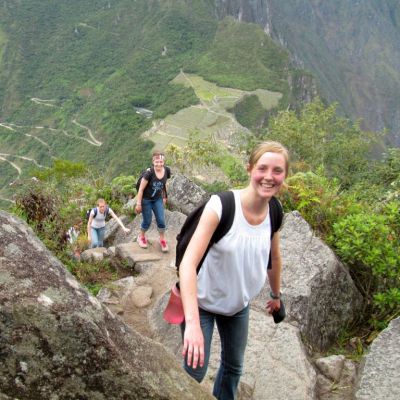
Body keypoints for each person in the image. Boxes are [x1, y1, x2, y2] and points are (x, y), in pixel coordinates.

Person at [178, 141, 289, 400]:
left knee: (233, 368)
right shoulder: (221, 207)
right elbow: (188, 264)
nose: (269, 177)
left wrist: (276, 295)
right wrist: (192, 324)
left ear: (285, 175)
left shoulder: (275, 210)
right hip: (201, 302)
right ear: (250, 169)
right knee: (195, 371)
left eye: (278, 170)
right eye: (263, 168)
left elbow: (274, 256)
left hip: (238, 305)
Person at [135, 151, 171, 252]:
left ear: (163, 161)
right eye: (157, 162)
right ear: (153, 161)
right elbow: (141, 189)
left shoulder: (167, 171)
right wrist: (138, 204)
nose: (159, 164)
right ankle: (141, 237)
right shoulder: (149, 173)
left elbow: (163, 184)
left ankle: (162, 239)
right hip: (146, 200)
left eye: (161, 161)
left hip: (157, 199)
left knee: (161, 220)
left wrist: (164, 196)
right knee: (147, 221)